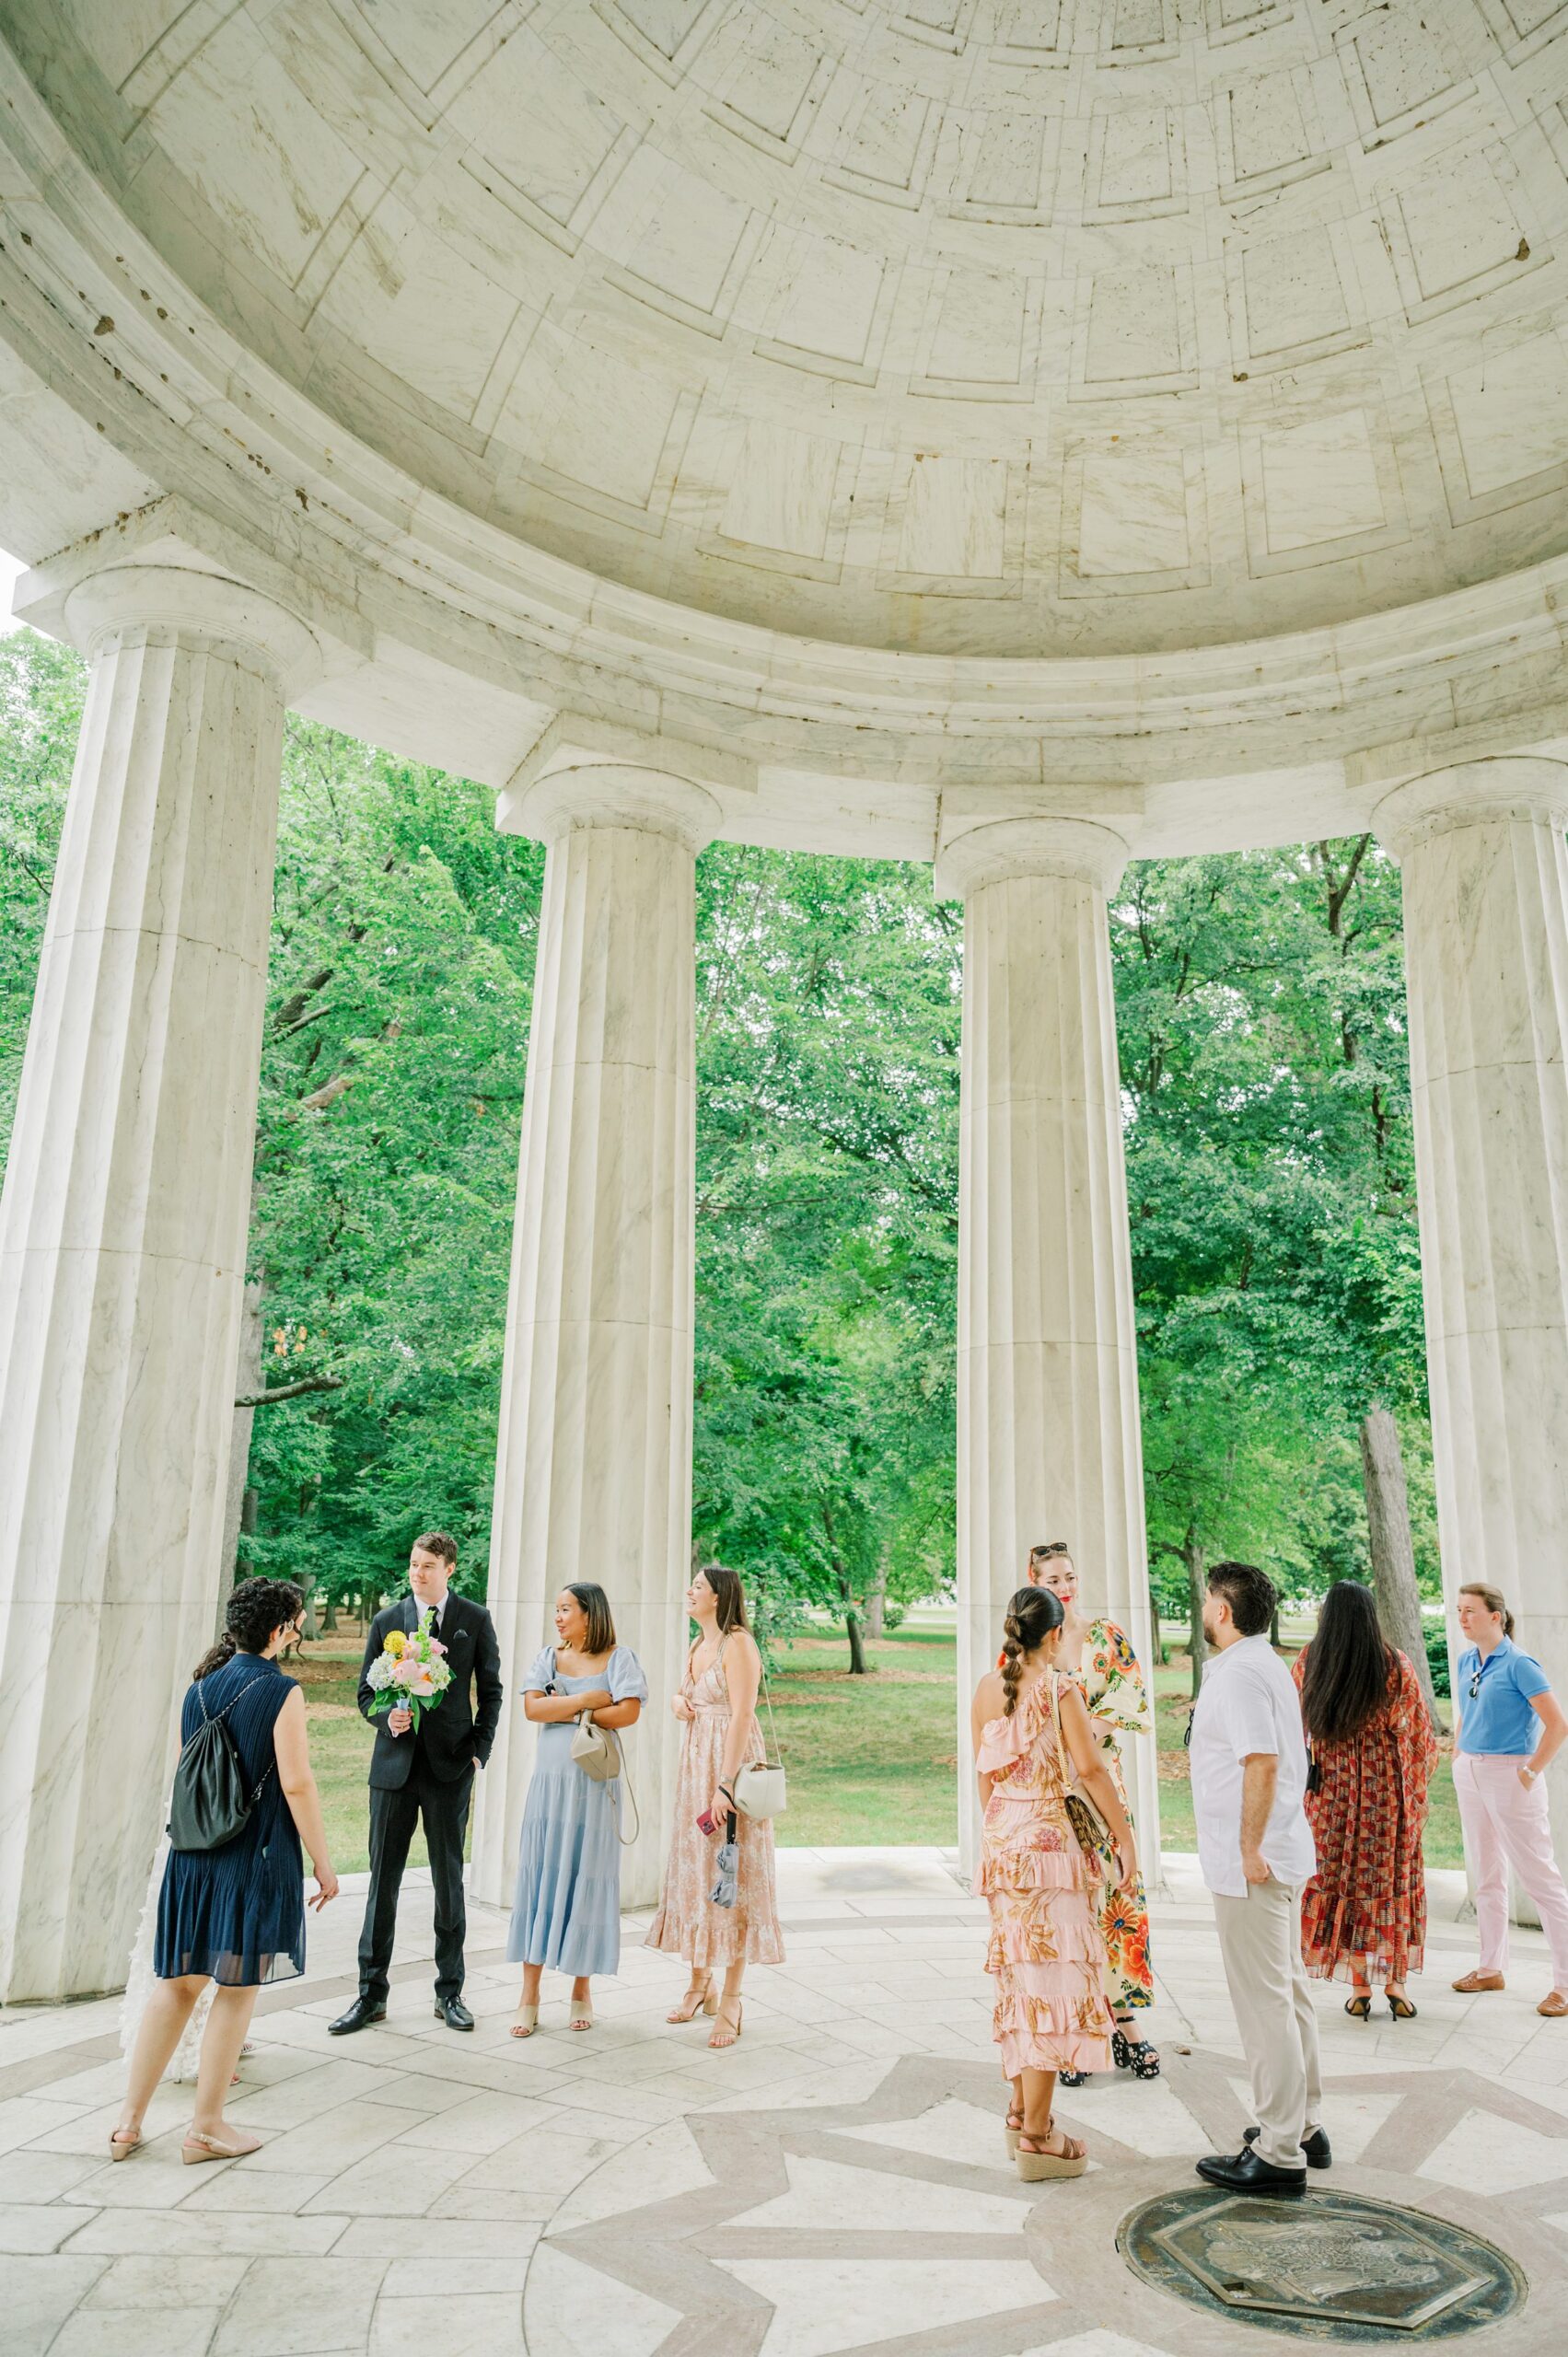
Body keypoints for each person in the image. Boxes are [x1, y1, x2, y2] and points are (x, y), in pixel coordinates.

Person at [110, 1578, 338, 2163]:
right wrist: (323, 1861)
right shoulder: (281, 1691)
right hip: (251, 1858)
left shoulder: (200, 1688)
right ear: (280, 1629)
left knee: (177, 1986)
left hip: (192, 1859)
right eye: (297, 1617)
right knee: (235, 1989)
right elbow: (295, 1782)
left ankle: (128, 2124)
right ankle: (206, 2127)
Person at [972, 1585, 1133, 2184]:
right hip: (1048, 1849)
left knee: (1020, 1979)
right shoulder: (1060, 1689)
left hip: (1004, 1846)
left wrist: (1000, 1841)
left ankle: (1020, 2111)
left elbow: (985, 1781)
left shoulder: (988, 1688)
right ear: (1054, 1635)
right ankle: (1038, 2137)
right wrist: (1124, 1840)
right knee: (1050, 1983)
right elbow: (1089, 1770)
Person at [1188, 1560, 1326, 2198]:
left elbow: (1261, 1764)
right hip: (1278, 1854)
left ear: (1222, 1610)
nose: (1202, 1607)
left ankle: (1277, 2153)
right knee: (1288, 1993)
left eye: (1207, 1599)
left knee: (1263, 2002)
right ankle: (1302, 2126)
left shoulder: (1241, 1673)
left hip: (1255, 1863)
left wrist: (1246, 1849)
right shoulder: (1262, 1663)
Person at [330, 1531, 503, 2036]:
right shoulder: (388, 1621)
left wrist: (478, 1752)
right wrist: (387, 1721)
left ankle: (450, 1993)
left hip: (451, 1769)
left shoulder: (474, 1620)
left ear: (449, 1569)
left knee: (449, 1882)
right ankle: (370, 1995)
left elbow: (490, 1692)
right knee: (382, 1881)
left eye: (427, 1565)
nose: (417, 1573)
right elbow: (365, 1692)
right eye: (413, 1564)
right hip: (393, 1771)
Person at [1026, 1539, 1158, 2082]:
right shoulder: (1023, 1648)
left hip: (1101, 1789)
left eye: (1070, 1577)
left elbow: (1128, 1699)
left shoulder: (1105, 1636)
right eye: (1054, 1579)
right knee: (1064, 1908)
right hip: (1048, 1795)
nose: (1065, 1588)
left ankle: (1125, 2022)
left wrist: (1080, 1738)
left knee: (1114, 1898)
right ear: (1035, 1582)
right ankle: (1073, 2029)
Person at [646, 1563, 784, 2047]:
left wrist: (725, 1785)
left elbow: (743, 1712)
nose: (690, 1591)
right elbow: (687, 1696)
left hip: (730, 1766)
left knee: (733, 1877)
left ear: (719, 1597)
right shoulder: (696, 1645)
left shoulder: (738, 1643)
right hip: (694, 1767)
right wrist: (678, 1703)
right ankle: (698, 1982)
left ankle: (731, 1998)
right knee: (699, 1873)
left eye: (698, 1587)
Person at [1293, 1580, 1438, 2017]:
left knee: (1344, 1886)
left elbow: (1297, 1723)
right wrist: (1412, 1789)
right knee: (1389, 1885)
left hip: (1333, 1797)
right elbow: (1417, 1733)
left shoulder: (1310, 1661)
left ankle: (1359, 1989)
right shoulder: (1394, 1663)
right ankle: (1396, 1985)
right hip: (1386, 1796)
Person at [507, 1583, 647, 2036]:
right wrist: (586, 1702)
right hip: (550, 1787)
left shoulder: (619, 1657)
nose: (558, 1617)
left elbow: (628, 1713)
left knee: (585, 1877)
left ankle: (581, 1990)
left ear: (590, 1613)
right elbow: (531, 1709)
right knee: (542, 1875)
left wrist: (560, 1707)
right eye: (557, 1610)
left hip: (593, 1787)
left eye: (566, 1609)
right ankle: (529, 1994)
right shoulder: (548, 1656)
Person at [1449, 1581, 1568, 2017]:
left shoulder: (1520, 1664)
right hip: (1472, 1773)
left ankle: (1564, 1985)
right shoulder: (1467, 1660)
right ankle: (1490, 1968)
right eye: (1459, 1610)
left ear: (1495, 1617)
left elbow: (1558, 1725)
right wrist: (1459, 1753)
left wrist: (1530, 1771)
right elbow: (1465, 1710)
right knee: (1487, 1876)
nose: (1462, 1618)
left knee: (1541, 1880)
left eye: (1471, 1611)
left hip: (1511, 1775)